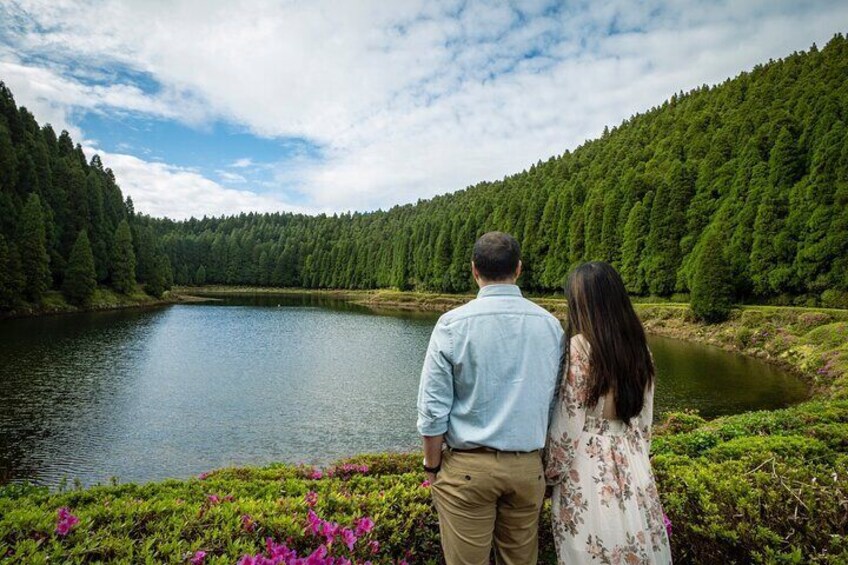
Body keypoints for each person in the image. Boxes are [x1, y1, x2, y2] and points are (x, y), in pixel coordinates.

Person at [416, 231, 565, 565]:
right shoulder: (550, 326)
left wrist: (432, 465)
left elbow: (432, 409)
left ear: (474, 270)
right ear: (519, 269)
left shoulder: (452, 324)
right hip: (528, 467)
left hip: (468, 469)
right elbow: (556, 402)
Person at [545, 261, 672, 564]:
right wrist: (637, 460)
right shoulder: (640, 348)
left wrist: (550, 474)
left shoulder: (578, 348)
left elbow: (568, 424)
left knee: (590, 545)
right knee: (637, 539)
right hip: (632, 459)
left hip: (587, 464)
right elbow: (644, 422)